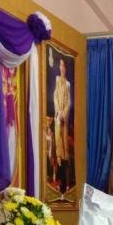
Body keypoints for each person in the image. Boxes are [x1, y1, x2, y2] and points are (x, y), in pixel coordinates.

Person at [52, 57, 71, 193]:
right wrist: (59, 111)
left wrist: (64, 113)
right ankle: (59, 179)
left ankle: (65, 182)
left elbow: (69, 101)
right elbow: (54, 96)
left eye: (63, 66)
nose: (61, 68)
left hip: (64, 116)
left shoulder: (68, 84)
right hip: (58, 115)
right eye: (60, 65)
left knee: (65, 144)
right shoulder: (57, 79)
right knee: (57, 142)